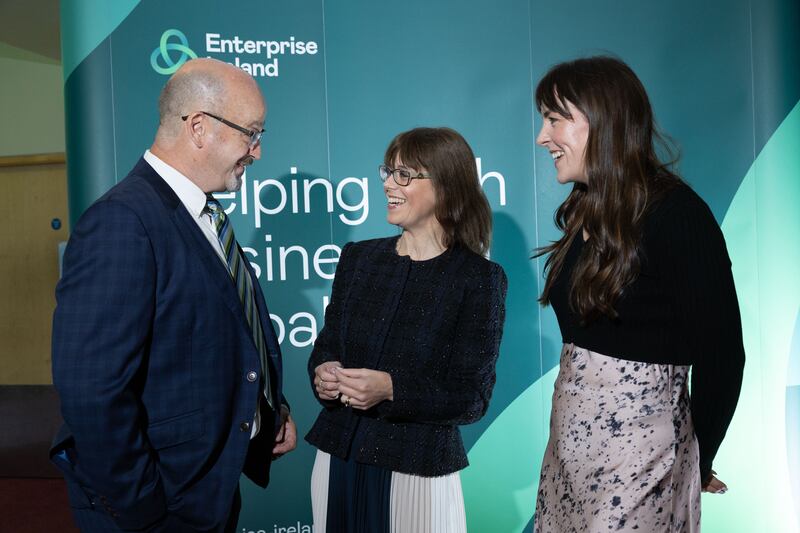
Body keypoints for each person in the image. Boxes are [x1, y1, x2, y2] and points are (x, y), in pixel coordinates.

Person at [50, 58, 296, 532]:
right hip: (154, 511)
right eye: (252, 132)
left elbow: (211, 341)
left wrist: (268, 413)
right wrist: (145, 506)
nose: (257, 151)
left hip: (203, 495)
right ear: (199, 127)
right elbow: (91, 390)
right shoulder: (123, 221)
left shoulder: (204, 215)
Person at [531, 56, 745, 532]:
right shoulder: (584, 211)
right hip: (569, 456)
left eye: (554, 119)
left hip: (643, 462)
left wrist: (696, 457)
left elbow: (723, 355)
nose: (543, 138)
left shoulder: (677, 214)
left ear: (603, 121)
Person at [304, 127, 507, 533]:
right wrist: (324, 374)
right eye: (388, 172)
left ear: (446, 187)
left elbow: (471, 397)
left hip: (416, 470)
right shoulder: (359, 258)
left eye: (404, 175)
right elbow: (327, 346)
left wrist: (391, 389)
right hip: (337, 458)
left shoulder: (478, 278)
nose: (387, 185)